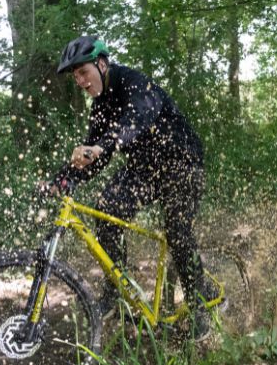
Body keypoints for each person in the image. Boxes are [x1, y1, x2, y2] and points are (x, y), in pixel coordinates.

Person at [46, 35, 215, 341]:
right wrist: (62, 179)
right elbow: (94, 156)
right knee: (106, 209)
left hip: (182, 162)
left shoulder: (133, 82)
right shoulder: (99, 107)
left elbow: (138, 119)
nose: (81, 82)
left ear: (101, 63)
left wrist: (103, 145)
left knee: (178, 232)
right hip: (144, 169)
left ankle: (200, 305)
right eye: (75, 77)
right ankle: (116, 291)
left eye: (83, 72)